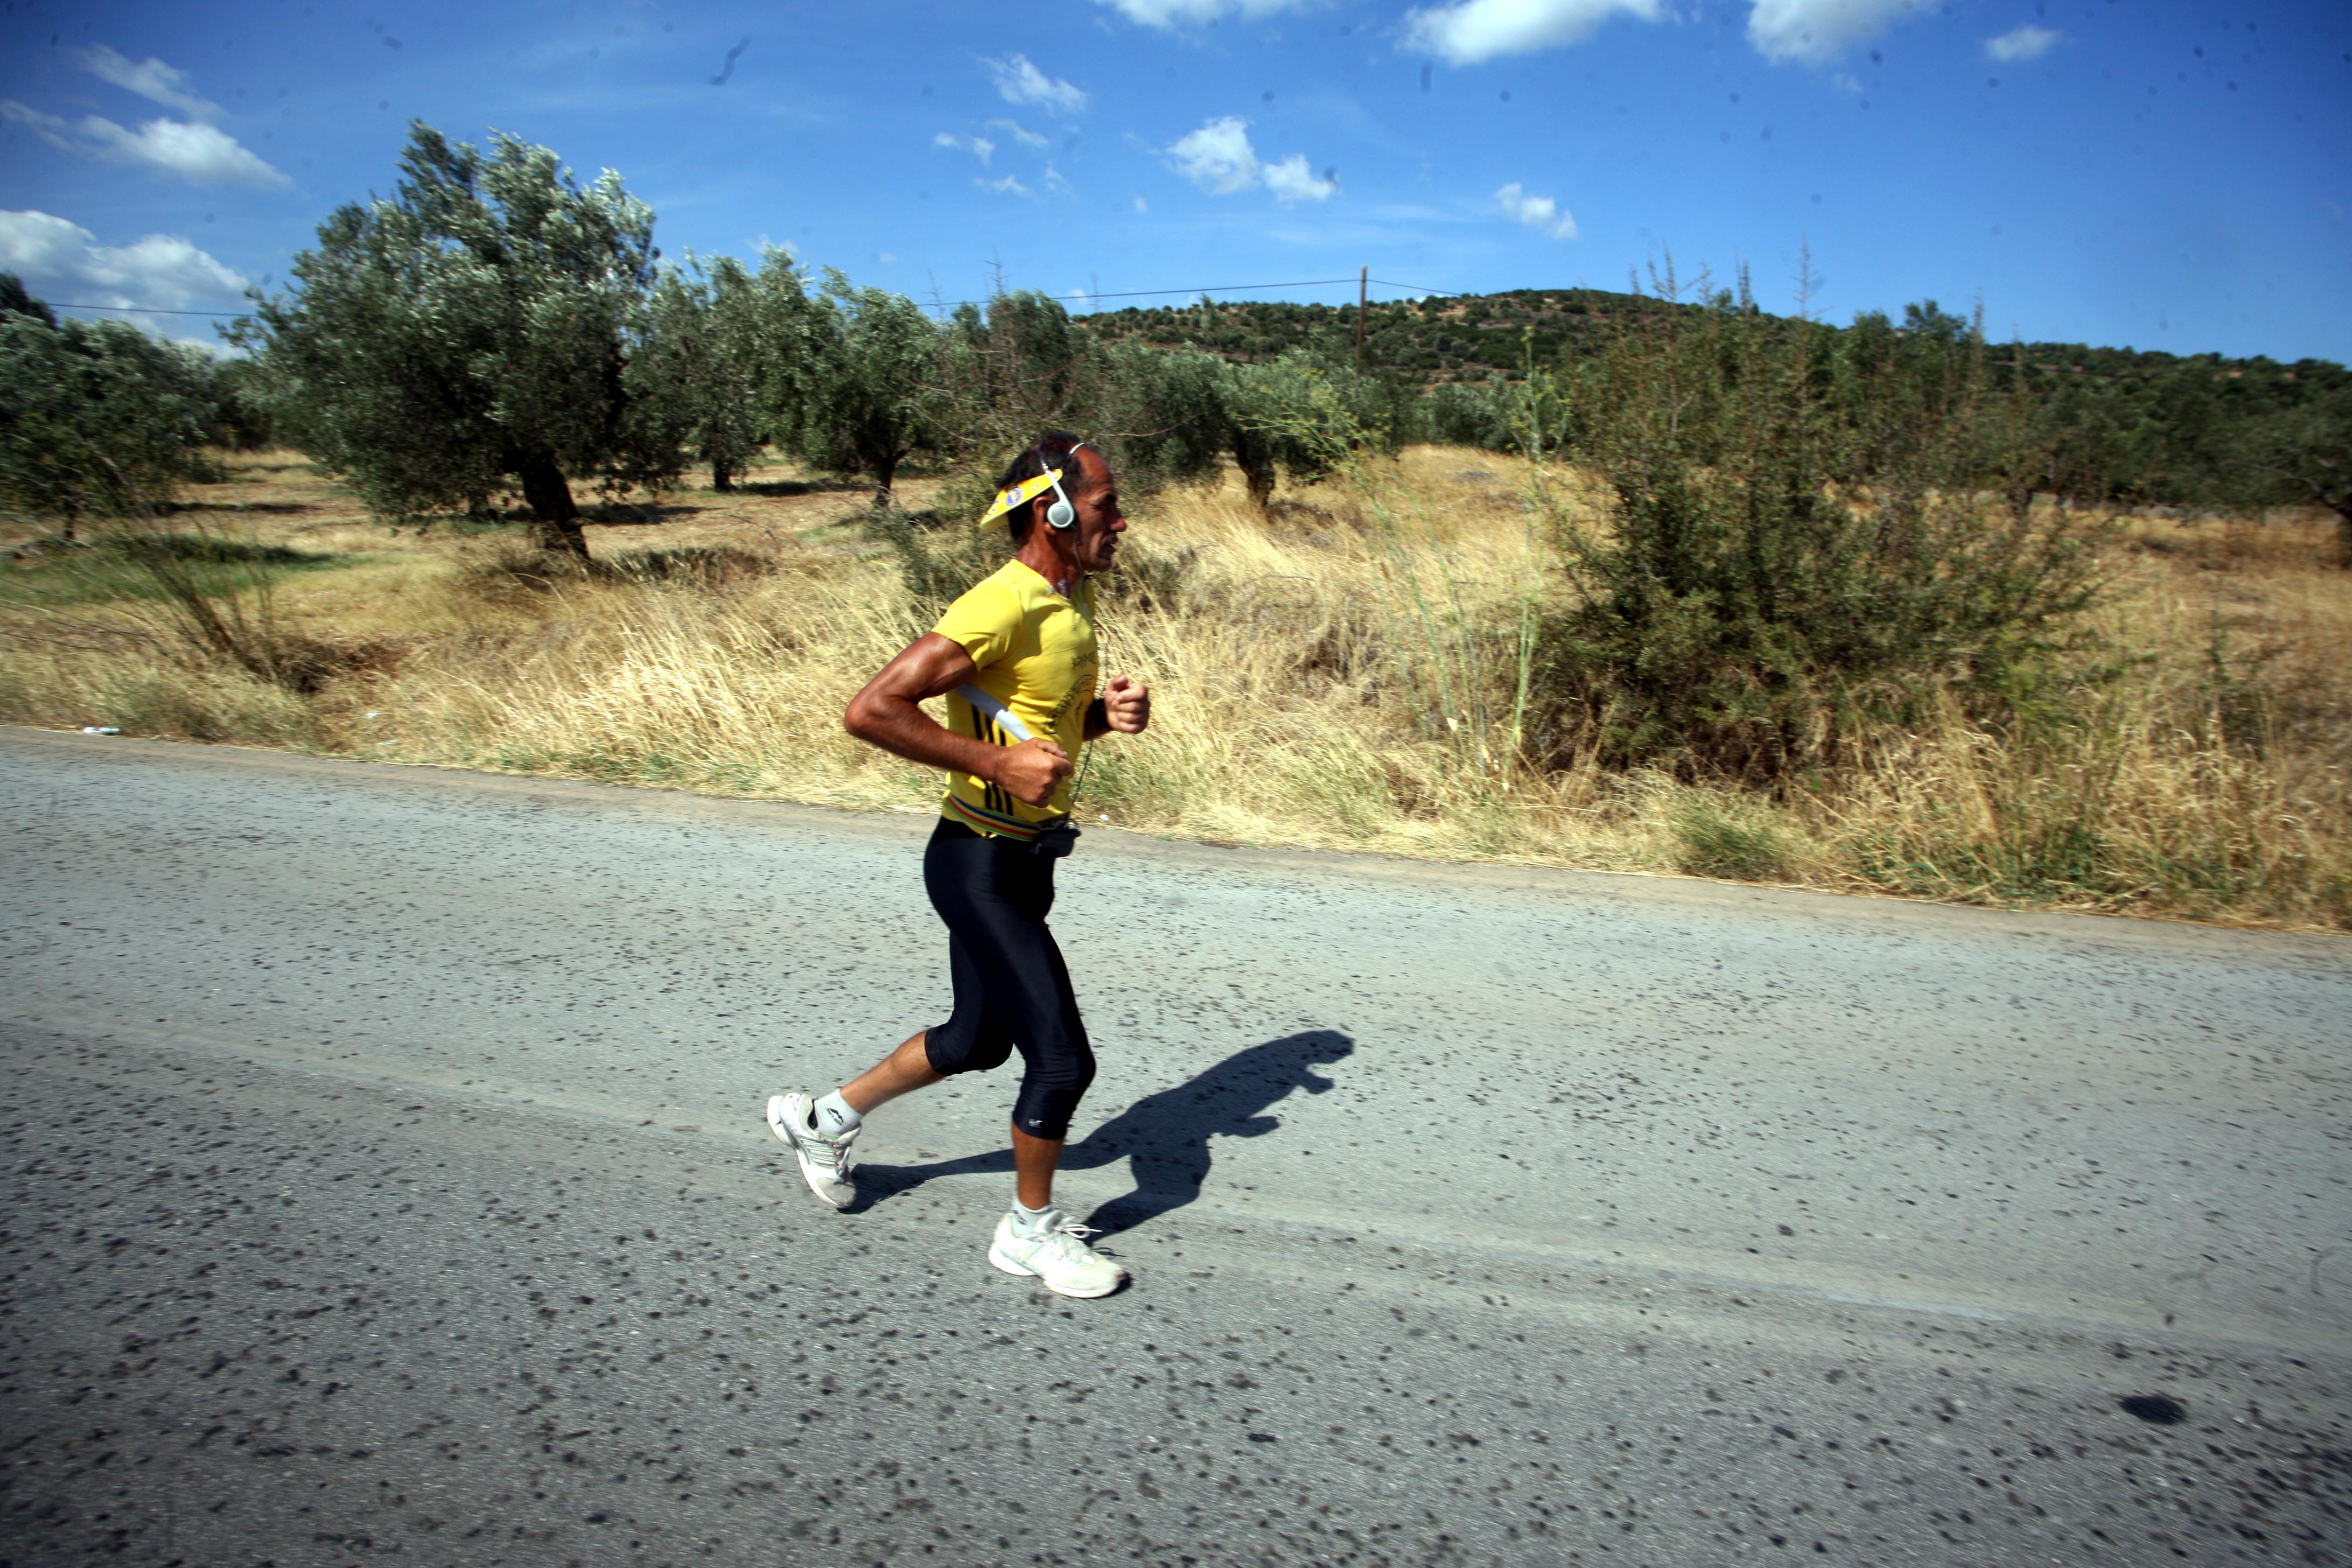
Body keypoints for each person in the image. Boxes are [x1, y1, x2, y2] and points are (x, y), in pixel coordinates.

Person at [765, 431, 1150, 1299]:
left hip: (1023, 863)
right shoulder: (1001, 603)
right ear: (1052, 511)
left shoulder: (1069, 602)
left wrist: (1104, 720)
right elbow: (871, 709)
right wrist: (992, 766)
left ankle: (823, 1119)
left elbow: (1029, 730)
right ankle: (1030, 1233)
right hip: (974, 860)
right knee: (1062, 1061)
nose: (1121, 521)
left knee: (975, 1040)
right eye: (1103, 506)